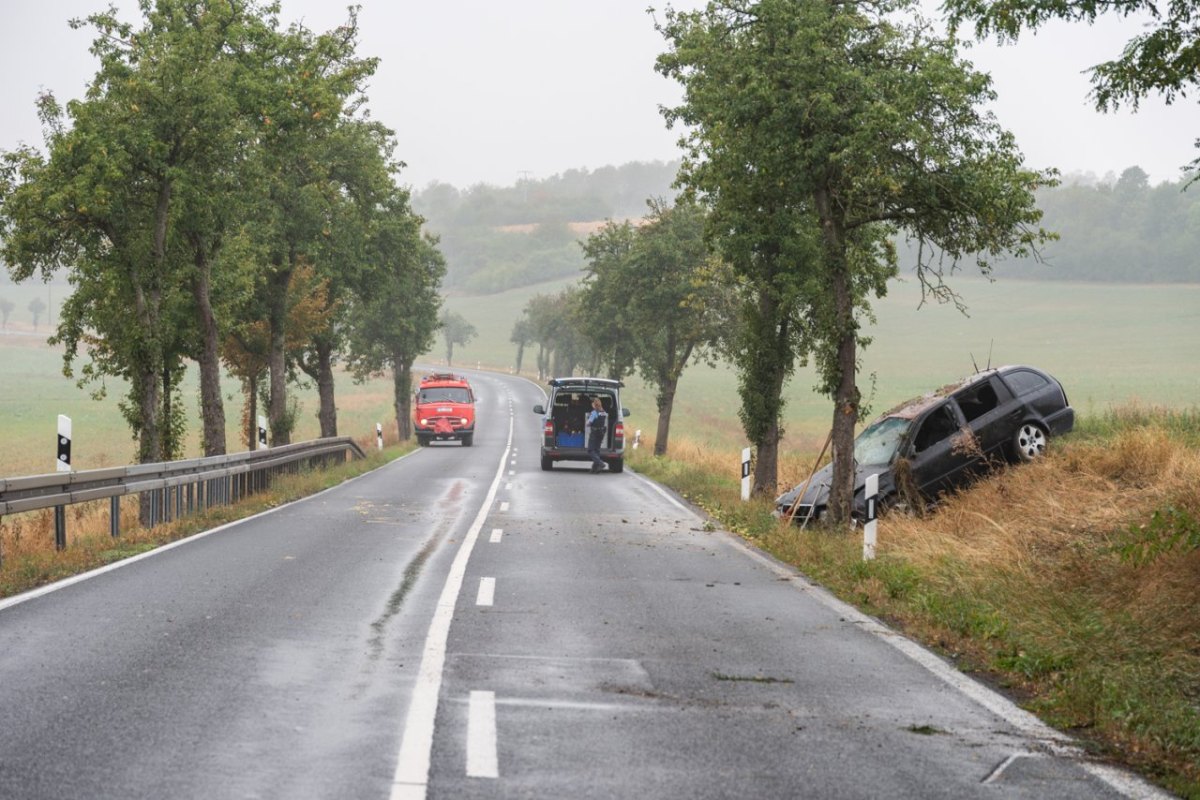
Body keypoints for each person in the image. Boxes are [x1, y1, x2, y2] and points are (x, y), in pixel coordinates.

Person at [586, 396, 608, 473]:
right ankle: (595, 469)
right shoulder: (604, 412)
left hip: (594, 433)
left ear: (594, 405)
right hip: (601, 433)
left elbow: (589, 423)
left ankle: (600, 463)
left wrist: (587, 422)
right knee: (597, 450)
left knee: (590, 450)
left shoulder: (594, 413)